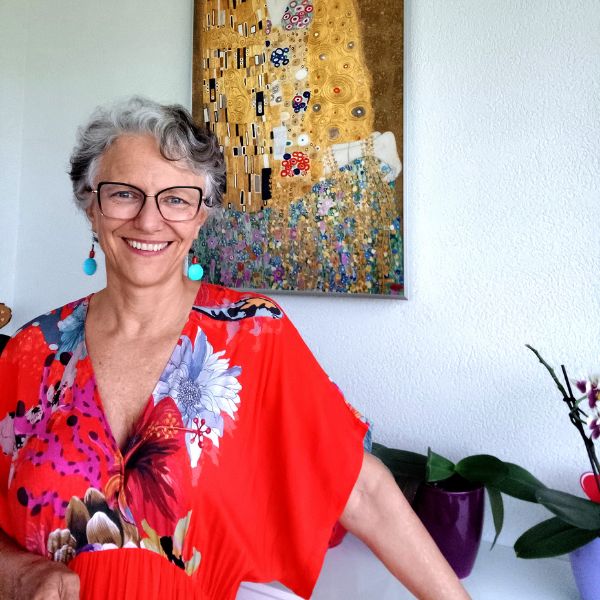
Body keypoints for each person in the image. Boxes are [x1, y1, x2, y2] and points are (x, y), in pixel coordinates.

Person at [0, 97, 469, 600]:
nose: (149, 220)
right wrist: (20, 574)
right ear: (90, 205)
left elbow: (361, 490)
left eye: (176, 199)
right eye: (124, 194)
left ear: (201, 216)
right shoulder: (32, 351)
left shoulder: (252, 334)